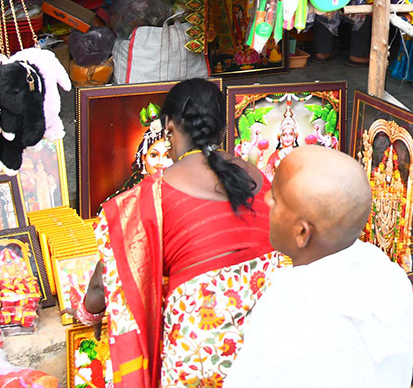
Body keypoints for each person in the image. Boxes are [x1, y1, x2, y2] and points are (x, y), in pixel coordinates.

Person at [81, 79, 282, 388]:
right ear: (223, 129)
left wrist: (87, 315)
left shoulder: (151, 196)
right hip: (271, 342)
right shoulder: (259, 176)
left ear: (169, 128)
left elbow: (106, 280)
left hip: (200, 354)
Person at [226, 146, 413, 388]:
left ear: (302, 233)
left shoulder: (286, 313)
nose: (266, 200)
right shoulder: (391, 278)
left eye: (275, 198)